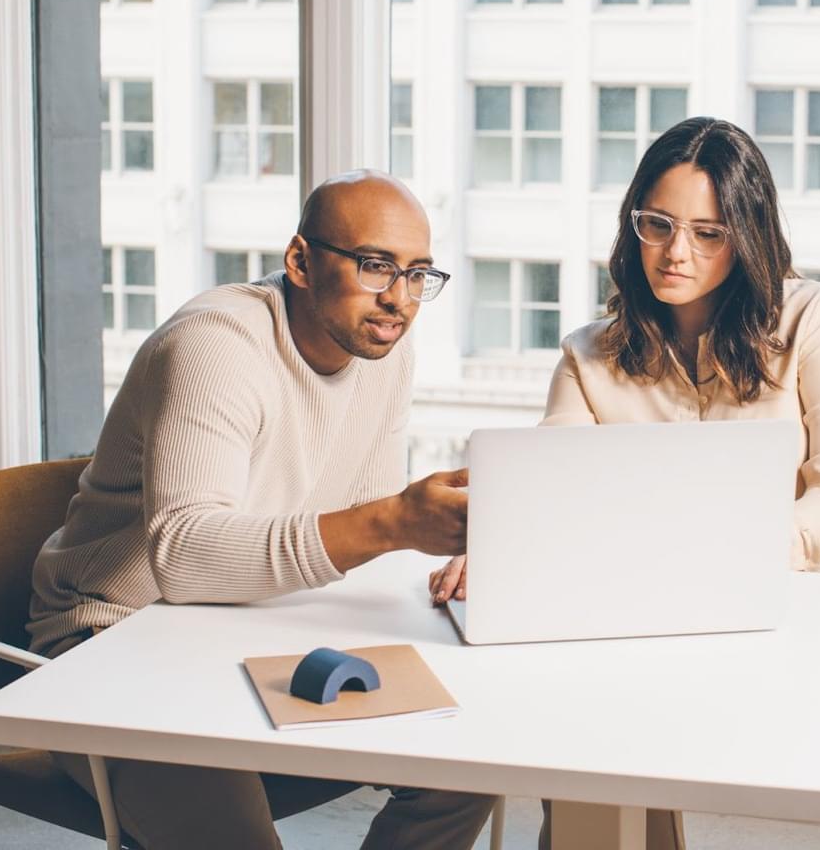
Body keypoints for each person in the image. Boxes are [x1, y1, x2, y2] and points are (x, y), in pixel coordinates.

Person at [429, 117, 820, 849]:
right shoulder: (589, 356)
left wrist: (747, 551)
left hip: (788, 619)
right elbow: (551, 493)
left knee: (599, 736)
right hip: (632, 624)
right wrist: (504, 548)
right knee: (572, 742)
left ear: (748, 235)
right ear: (631, 224)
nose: (676, 253)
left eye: (709, 232)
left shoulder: (813, 321)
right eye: (657, 225)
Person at [29, 172, 496, 850]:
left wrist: (446, 536)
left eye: (417, 272)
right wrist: (394, 522)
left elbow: (357, 524)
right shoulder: (216, 345)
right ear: (300, 261)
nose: (398, 298)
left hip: (262, 627)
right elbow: (183, 558)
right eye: (374, 266)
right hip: (110, 642)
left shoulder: (381, 346)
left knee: (471, 763)